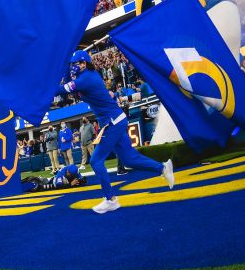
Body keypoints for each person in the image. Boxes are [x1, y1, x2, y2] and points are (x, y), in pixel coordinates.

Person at [61, 51, 174, 214]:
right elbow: (70, 86)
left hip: (112, 121)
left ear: (84, 63)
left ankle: (111, 199)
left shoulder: (86, 78)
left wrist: (44, 91)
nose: (73, 67)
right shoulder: (86, 76)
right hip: (116, 120)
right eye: (72, 65)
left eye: (75, 64)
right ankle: (162, 168)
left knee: (96, 160)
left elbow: (62, 90)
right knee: (129, 159)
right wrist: (65, 64)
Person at [21, 163, 86, 193]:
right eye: (68, 171)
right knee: (38, 182)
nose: (67, 172)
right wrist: (71, 184)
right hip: (52, 181)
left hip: (55, 179)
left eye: (69, 172)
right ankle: (21, 184)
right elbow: (58, 185)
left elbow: (83, 179)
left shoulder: (75, 171)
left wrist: (80, 181)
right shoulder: (62, 173)